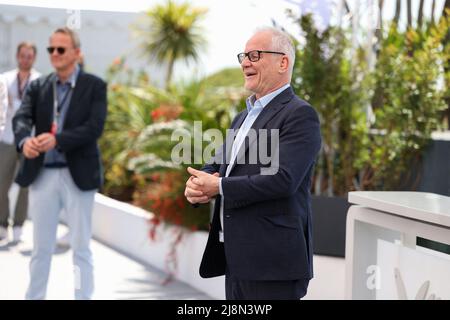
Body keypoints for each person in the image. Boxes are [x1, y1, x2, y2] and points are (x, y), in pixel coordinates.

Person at [184, 27, 321, 300]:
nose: (245, 62)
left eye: (255, 55)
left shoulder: (300, 115)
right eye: (244, 56)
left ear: (283, 62)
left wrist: (218, 186)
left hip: (273, 264)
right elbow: (218, 165)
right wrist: (198, 185)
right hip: (236, 260)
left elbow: (283, 179)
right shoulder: (242, 117)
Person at [12, 27, 107, 300]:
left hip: (80, 176)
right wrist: (23, 142)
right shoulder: (38, 86)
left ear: (76, 53)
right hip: (42, 175)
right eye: (51, 49)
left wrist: (58, 139)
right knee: (40, 249)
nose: (54, 54)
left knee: (80, 248)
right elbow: (21, 118)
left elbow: (94, 128)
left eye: (61, 49)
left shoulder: (95, 85)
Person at [0, 42, 40, 243]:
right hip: (6, 139)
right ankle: (2, 224)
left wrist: (14, 105)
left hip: (28, 140)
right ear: (17, 56)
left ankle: (18, 225)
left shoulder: (40, 81)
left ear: (34, 58)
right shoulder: (5, 79)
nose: (26, 59)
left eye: (29, 56)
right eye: (23, 55)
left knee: (24, 184)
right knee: (1, 183)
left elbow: (36, 111)